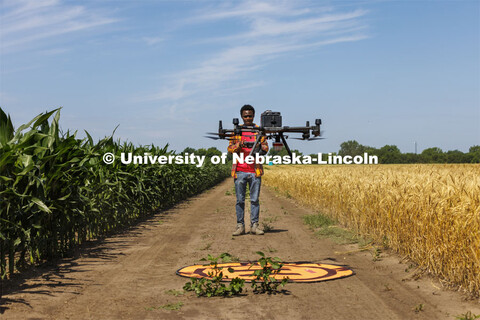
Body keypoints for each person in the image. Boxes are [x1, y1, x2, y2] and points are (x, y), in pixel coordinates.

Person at [227, 105, 269, 236]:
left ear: (253, 116)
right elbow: (230, 148)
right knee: (240, 200)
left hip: (254, 170)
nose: (248, 118)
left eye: (250, 116)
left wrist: (259, 146)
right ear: (242, 117)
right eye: (245, 116)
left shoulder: (259, 131)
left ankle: (254, 226)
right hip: (239, 170)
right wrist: (238, 146)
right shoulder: (236, 131)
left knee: (254, 200)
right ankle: (240, 226)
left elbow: (266, 148)